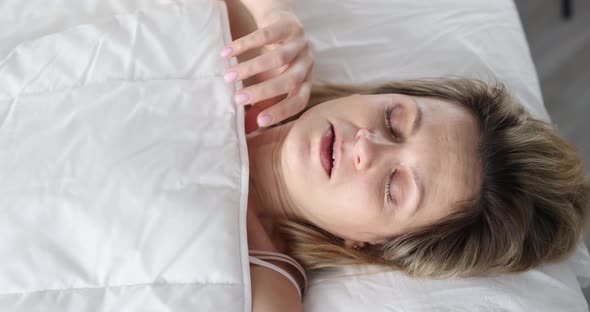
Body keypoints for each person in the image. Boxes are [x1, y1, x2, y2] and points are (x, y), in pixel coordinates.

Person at [221, 1, 590, 311]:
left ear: (376, 244)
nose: (366, 146)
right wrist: (275, 13)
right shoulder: (251, 45)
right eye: (393, 120)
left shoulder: (264, 291)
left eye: (394, 187)